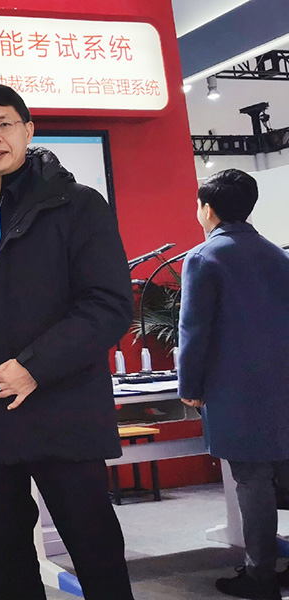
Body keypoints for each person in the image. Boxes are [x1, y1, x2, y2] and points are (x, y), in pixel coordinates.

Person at [0, 82, 135, 599]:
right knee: (7, 560)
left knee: (94, 547)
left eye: (4, 124)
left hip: (62, 408)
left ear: (28, 130)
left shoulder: (78, 205)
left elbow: (108, 304)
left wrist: (34, 366)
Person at [178, 169, 289, 600]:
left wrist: (189, 384)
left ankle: (260, 577)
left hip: (237, 391)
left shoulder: (204, 257)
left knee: (252, 481)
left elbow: (194, 330)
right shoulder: (278, 255)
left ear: (207, 210)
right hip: (283, 385)